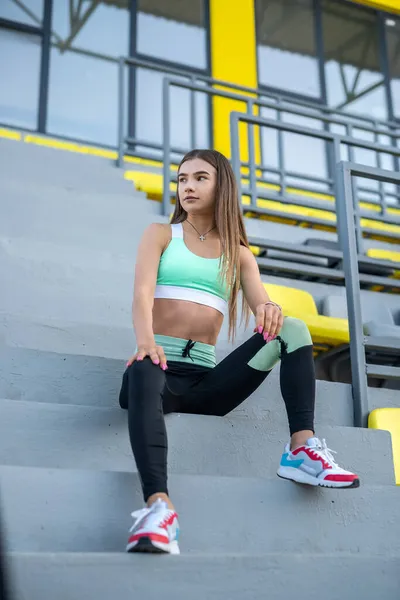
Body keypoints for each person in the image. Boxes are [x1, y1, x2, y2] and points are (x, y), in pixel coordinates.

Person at [119, 149, 359, 555]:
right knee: (143, 367)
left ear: (222, 186)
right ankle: (158, 508)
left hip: (207, 385)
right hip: (156, 372)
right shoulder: (160, 234)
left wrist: (270, 308)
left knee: (293, 328)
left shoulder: (239, 254)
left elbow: (263, 309)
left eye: (199, 178)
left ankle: (301, 449)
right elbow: (141, 296)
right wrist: (146, 341)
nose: (188, 187)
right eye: (181, 180)